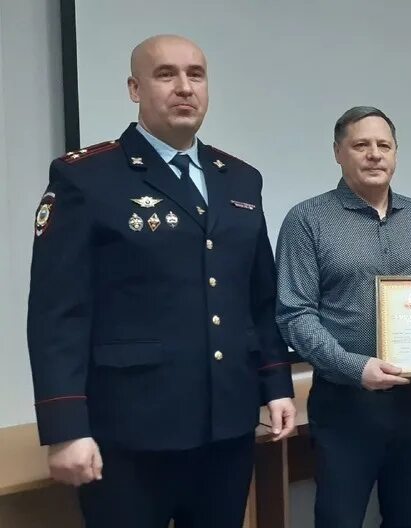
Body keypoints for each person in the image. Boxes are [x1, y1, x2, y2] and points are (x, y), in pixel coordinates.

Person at [26, 34, 296, 528]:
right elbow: (56, 312)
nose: (184, 87)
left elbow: (259, 297)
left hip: (227, 425)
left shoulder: (239, 179)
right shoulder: (86, 178)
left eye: (195, 74)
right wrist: (65, 427)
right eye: (165, 74)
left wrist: (276, 384)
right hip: (129, 432)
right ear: (134, 88)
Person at [275, 106, 411, 527]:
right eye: (360, 145)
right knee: (339, 517)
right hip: (347, 402)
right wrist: (356, 367)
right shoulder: (307, 220)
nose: (374, 154)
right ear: (337, 152)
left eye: (384, 145)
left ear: (396, 154)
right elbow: (295, 313)